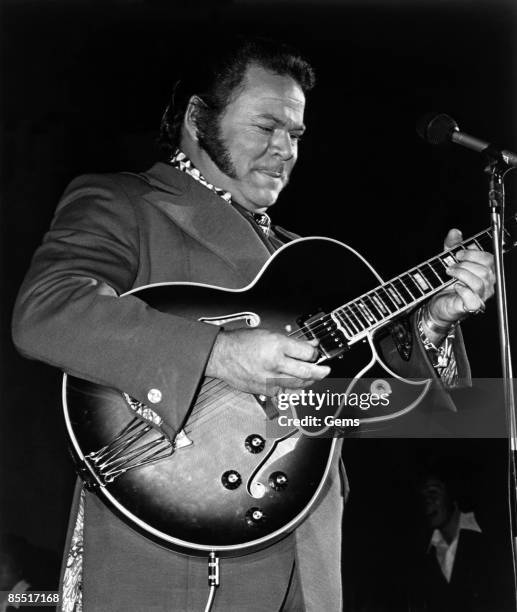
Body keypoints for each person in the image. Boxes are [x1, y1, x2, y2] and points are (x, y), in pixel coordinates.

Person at [12, 37, 495, 611]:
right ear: (198, 117)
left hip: (306, 550)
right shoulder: (125, 202)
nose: (284, 149)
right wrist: (220, 353)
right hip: (176, 547)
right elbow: (47, 310)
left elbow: (407, 411)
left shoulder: (304, 259)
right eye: (266, 127)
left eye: (295, 135)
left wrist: (434, 324)